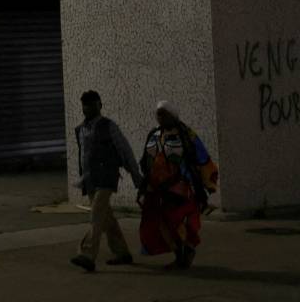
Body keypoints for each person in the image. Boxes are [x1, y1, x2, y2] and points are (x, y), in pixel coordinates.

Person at [137, 100, 219, 270]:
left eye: (163, 113)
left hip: (180, 188)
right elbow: (146, 160)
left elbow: (202, 157)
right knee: (157, 221)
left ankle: (185, 252)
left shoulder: (187, 135)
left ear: (172, 115)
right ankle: (179, 253)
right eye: (158, 113)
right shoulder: (154, 134)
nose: (160, 117)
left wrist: (207, 184)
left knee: (177, 221)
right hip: (156, 188)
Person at [69, 90, 145, 273]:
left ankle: (87, 254)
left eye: (92, 104)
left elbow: (124, 150)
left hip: (107, 178)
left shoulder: (109, 126)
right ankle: (122, 253)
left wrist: (136, 177)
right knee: (106, 219)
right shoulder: (81, 129)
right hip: (91, 180)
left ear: (100, 105)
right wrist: (82, 180)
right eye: (85, 105)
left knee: (96, 215)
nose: (88, 108)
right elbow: (84, 158)